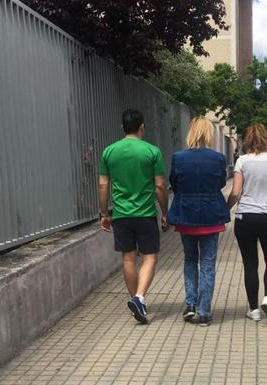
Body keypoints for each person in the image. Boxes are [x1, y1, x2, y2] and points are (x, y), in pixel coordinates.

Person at [99, 108, 169, 325]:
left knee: (128, 258)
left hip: (120, 214)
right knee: (150, 257)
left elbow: (103, 184)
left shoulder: (109, 152)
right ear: (142, 127)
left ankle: (135, 301)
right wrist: (165, 212)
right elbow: (159, 186)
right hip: (146, 213)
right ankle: (139, 298)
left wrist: (104, 213)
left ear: (122, 128)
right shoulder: (152, 151)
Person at [168, 117, 230, 327]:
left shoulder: (178, 157)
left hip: (186, 214)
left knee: (190, 259)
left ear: (191, 132)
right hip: (211, 215)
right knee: (208, 262)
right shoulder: (218, 158)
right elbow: (221, 183)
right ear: (209, 134)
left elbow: (174, 184)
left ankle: (190, 304)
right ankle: (204, 312)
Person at [227, 124, 267, 322]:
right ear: (265, 139)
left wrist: (226, 208)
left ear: (247, 140)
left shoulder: (242, 161)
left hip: (245, 217)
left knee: (250, 264)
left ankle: (253, 309)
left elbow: (235, 192)